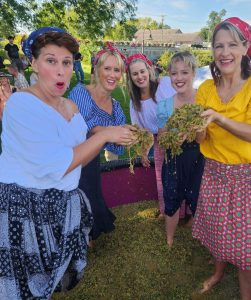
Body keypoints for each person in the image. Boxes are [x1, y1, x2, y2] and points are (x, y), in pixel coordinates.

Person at [0, 27, 135, 300]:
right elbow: (57, 164)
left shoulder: (69, 106)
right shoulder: (21, 104)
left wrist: (119, 136)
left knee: (51, 276)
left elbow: (88, 136)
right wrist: (107, 133)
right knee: (26, 285)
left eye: (67, 62)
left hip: (61, 203)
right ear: (33, 64)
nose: (61, 71)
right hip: (26, 210)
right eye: (51, 61)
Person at [192, 17, 251, 299]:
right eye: (218, 46)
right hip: (214, 173)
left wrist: (218, 117)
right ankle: (218, 272)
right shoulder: (204, 90)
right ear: (212, 51)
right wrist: (198, 129)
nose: (224, 52)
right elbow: (201, 139)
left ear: (244, 47)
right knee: (217, 232)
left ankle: (245, 297)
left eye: (231, 44)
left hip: (247, 178)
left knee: (249, 247)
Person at [68, 42, 127, 242]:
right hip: (70, 157)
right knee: (74, 197)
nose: (112, 75)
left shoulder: (117, 106)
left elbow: (115, 145)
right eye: (107, 68)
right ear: (96, 69)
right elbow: (88, 125)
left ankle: (88, 236)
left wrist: (131, 136)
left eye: (117, 70)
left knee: (91, 193)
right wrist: (115, 132)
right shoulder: (80, 92)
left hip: (91, 160)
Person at [126, 53, 192, 222]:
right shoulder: (135, 102)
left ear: (149, 70)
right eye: (135, 74)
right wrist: (143, 151)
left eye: (142, 71)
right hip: (159, 143)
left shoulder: (163, 84)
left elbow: (183, 98)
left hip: (182, 136)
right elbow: (141, 131)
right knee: (164, 178)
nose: (140, 76)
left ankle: (188, 213)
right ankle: (168, 211)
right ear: (130, 77)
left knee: (186, 174)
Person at [157, 51, 205, 247]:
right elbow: (161, 140)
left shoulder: (203, 102)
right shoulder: (164, 106)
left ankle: (198, 233)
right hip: (173, 159)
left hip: (197, 157)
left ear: (193, 73)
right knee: (172, 197)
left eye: (184, 72)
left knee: (197, 197)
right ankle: (169, 238)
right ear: (169, 76)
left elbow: (204, 139)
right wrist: (172, 137)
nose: (179, 78)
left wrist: (193, 130)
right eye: (174, 73)